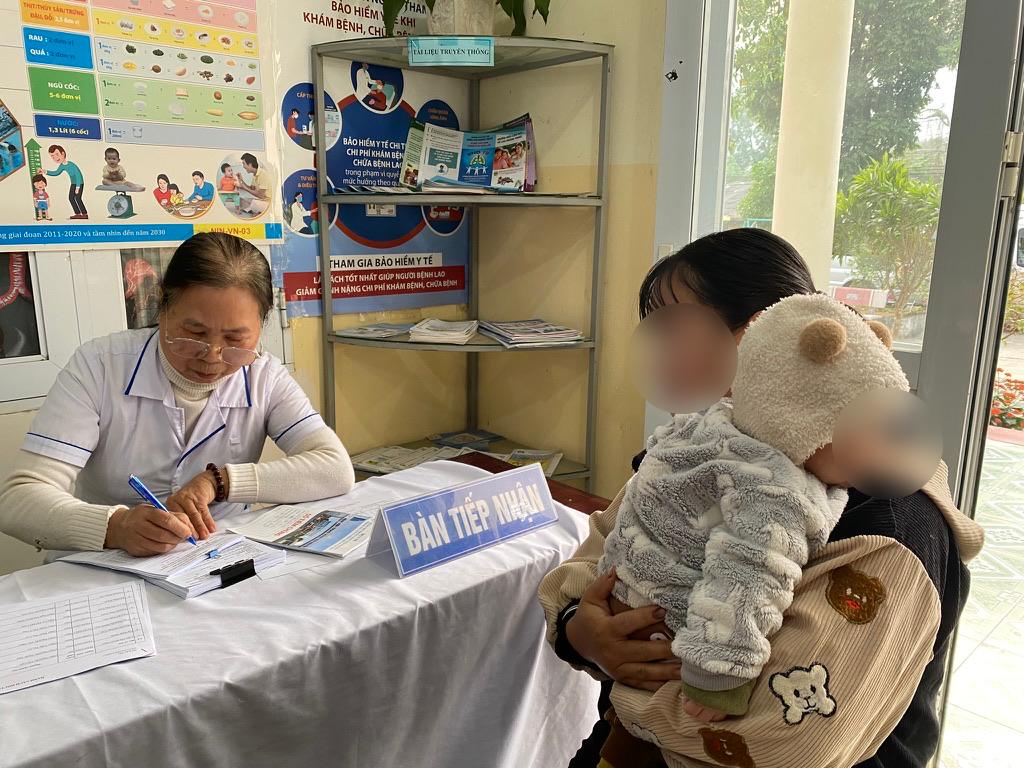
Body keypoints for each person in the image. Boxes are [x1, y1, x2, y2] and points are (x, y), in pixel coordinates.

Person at [537, 228, 985, 768]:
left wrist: (625, 678)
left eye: (675, 328)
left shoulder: (889, 527)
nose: (656, 351)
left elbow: (784, 741)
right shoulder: (704, 449)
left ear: (759, 335)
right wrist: (580, 632)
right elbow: (597, 554)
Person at [0, 232, 355, 556]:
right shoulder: (100, 366)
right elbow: (18, 499)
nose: (212, 357)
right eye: (193, 332)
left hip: (212, 558)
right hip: (100, 563)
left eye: (235, 339)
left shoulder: (264, 375)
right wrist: (115, 526)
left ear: (260, 327)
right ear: (162, 307)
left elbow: (335, 469)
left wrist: (220, 481)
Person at [45, 144, 88, 219]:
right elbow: (56, 173)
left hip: (79, 183)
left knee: (78, 198)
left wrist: (78, 187)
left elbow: (78, 175)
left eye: (57, 154)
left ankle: (84, 214)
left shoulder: (71, 164)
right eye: (52, 156)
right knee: (71, 198)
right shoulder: (62, 165)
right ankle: (77, 213)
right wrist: (45, 171)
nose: (55, 157)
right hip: (73, 183)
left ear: (63, 153)